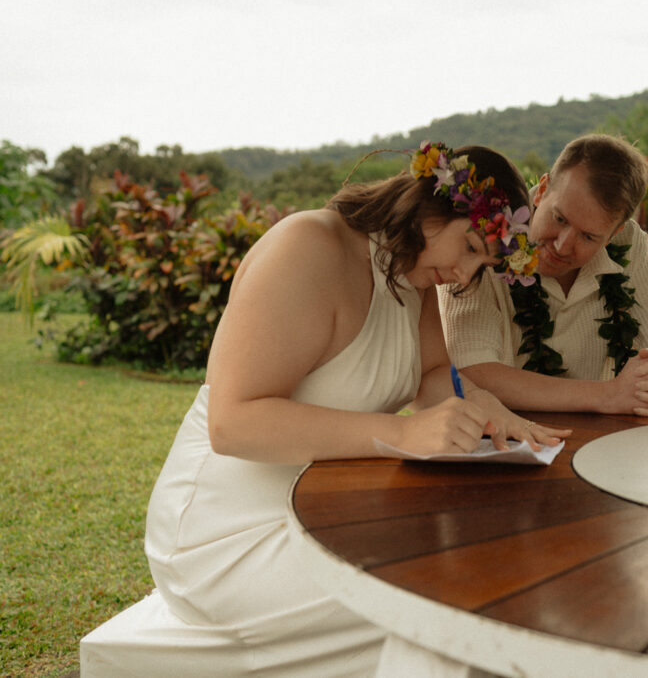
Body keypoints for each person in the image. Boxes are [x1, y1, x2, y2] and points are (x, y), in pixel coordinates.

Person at [85, 143, 568, 677]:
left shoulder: (412, 271)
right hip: (228, 534)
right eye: (472, 246)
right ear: (431, 205)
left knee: (486, 568)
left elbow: (431, 376)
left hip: (328, 513)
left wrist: (478, 404)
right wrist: (403, 436)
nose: (464, 273)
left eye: (485, 263)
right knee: (446, 604)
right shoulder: (308, 246)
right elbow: (232, 422)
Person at [439, 134, 648, 426]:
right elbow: (474, 372)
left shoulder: (629, 243)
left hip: (602, 444)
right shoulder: (487, 231)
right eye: (559, 219)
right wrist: (608, 396)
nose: (562, 245)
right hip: (501, 442)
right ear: (543, 191)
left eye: (588, 236)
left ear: (614, 233)